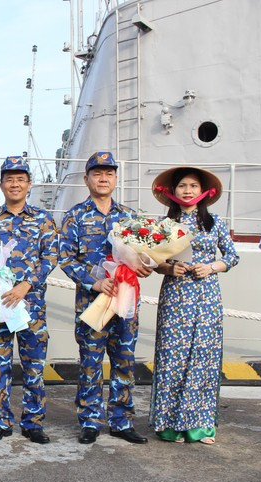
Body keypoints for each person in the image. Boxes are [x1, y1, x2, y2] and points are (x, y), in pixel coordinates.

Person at [59, 151, 153, 445]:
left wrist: (146, 265)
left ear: (115, 178)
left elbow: (144, 253)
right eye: (97, 173)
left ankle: (121, 421)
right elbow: (65, 258)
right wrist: (95, 282)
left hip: (125, 301)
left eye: (109, 173)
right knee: (91, 363)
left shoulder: (130, 217)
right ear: (86, 178)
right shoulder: (75, 216)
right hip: (93, 303)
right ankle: (90, 421)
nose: (103, 178)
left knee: (124, 361)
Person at [150, 166, 239, 444]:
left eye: (193, 186)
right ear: (173, 191)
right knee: (171, 357)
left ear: (203, 191)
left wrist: (211, 267)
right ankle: (169, 425)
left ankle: (199, 425)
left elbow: (232, 257)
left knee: (203, 357)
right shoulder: (164, 224)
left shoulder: (215, 222)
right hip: (175, 297)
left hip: (205, 296)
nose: (187, 191)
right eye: (182, 186)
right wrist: (169, 268)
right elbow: (153, 262)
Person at [0, 157, 57, 444]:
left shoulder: (43, 219)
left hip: (30, 306)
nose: (15, 184)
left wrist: (26, 284)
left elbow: (51, 257)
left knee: (34, 367)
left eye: (20, 179)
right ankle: (1, 421)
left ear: (29, 184)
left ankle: (33, 423)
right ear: (1, 185)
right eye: (9, 179)